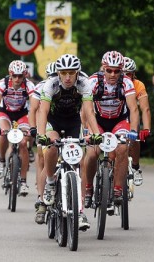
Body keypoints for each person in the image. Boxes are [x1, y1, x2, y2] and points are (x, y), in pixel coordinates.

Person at [37, 54, 102, 231]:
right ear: (58, 73)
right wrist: (42, 134)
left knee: (79, 162)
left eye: (71, 73)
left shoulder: (84, 84)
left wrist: (96, 133)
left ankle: (80, 211)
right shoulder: (51, 84)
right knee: (51, 146)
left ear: (77, 73)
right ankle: (50, 182)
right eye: (64, 73)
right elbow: (42, 111)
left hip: (73, 122)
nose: (67, 77)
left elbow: (89, 111)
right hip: (54, 121)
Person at [82, 51, 139, 210]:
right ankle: (88, 187)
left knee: (122, 148)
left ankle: (118, 189)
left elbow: (134, 109)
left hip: (118, 121)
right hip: (97, 121)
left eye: (117, 71)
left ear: (121, 70)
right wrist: (88, 130)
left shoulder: (127, 82)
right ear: (103, 68)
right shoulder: (93, 81)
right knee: (92, 152)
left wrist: (133, 130)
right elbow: (86, 110)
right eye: (109, 70)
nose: (113, 74)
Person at [0, 60, 35, 196]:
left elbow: (34, 107)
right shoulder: (3, 84)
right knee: (3, 134)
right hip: (6, 113)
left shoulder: (29, 85)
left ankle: (23, 181)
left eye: (20, 76)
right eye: (14, 76)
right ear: (10, 75)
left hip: (22, 114)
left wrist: (33, 127)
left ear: (24, 75)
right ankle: (2, 161)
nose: (17, 79)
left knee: (23, 143)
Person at [28, 61, 56, 224]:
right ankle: (41, 198)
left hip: (65, 123)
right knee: (42, 159)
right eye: (51, 76)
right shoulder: (42, 87)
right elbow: (33, 110)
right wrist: (34, 129)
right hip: (45, 124)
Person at [123, 57, 151, 186]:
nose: (126, 77)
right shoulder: (112, 83)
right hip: (118, 114)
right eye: (123, 73)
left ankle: (135, 166)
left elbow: (145, 109)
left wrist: (146, 128)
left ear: (133, 74)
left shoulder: (138, 84)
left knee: (134, 138)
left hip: (131, 113)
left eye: (128, 74)